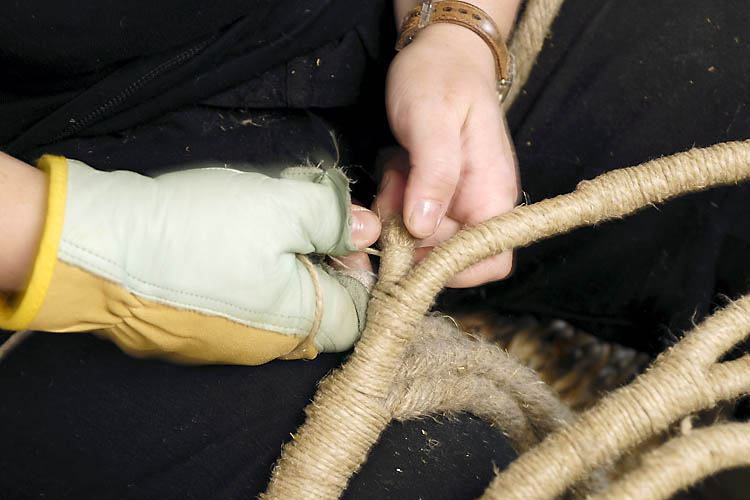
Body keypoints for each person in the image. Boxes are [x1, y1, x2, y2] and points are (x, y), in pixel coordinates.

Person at [1, 0, 749, 498]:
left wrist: (458, 31)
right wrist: (77, 240)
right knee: (437, 476)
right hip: (27, 233)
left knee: (717, 69)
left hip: (333, 31)